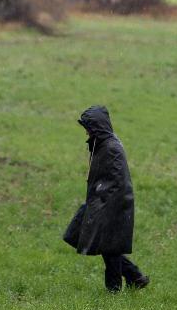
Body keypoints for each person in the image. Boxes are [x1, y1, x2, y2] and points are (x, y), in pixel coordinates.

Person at [63, 105, 149, 292]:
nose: (85, 131)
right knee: (81, 237)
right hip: (101, 203)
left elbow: (118, 181)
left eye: (88, 127)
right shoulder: (101, 143)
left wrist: (101, 202)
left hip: (110, 205)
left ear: (96, 127)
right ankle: (135, 276)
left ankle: (115, 288)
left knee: (109, 248)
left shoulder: (111, 147)